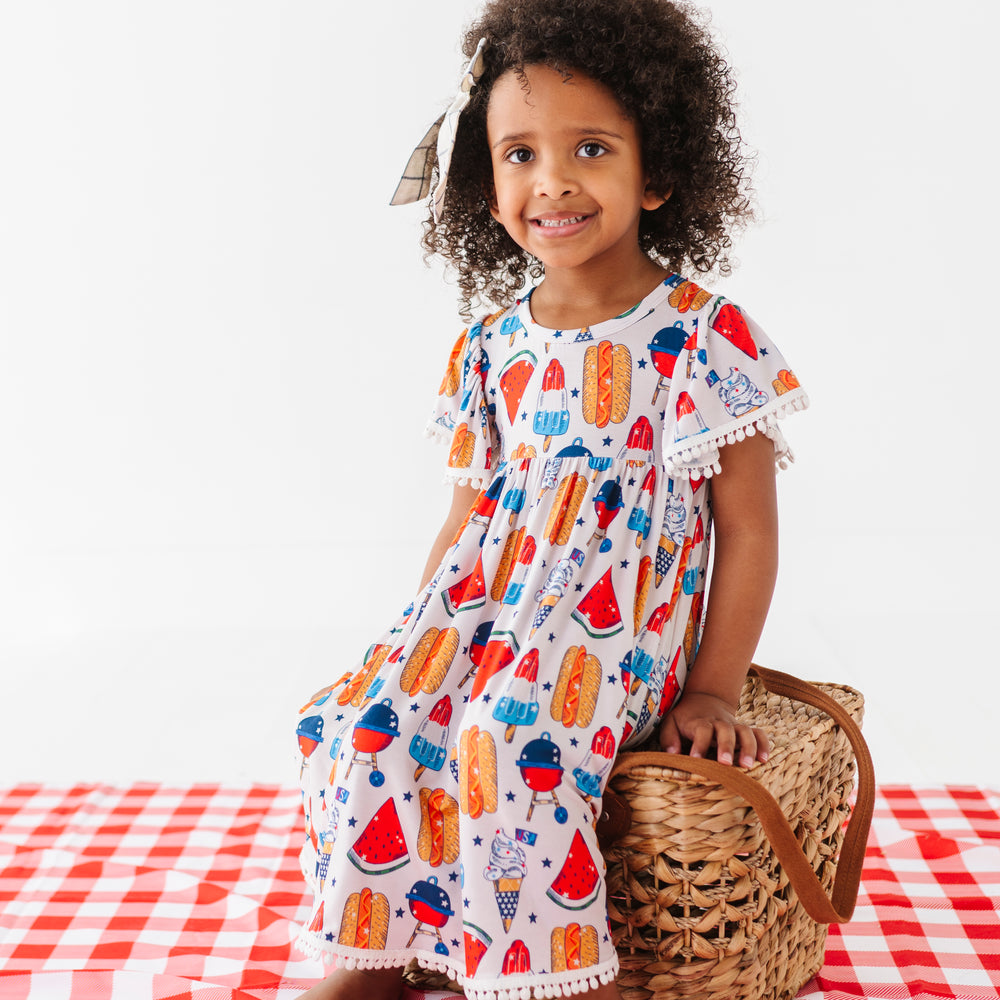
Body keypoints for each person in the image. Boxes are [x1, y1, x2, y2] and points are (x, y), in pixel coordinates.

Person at [293, 1, 808, 997]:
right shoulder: (490, 345)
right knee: (363, 721)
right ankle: (384, 947)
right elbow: (465, 516)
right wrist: (421, 639)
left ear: (656, 172)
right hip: (488, 606)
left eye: (587, 148)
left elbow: (746, 530)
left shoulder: (703, 336)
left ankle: (561, 973)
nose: (552, 181)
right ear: (485, 190)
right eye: (518, 155)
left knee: (505, 732)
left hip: (610, 633)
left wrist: (714, 685)